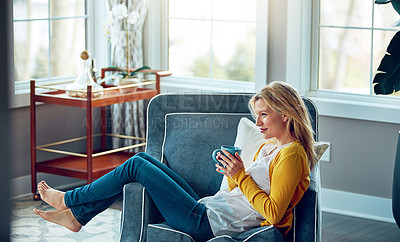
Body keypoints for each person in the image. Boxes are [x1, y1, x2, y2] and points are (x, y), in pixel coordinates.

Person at [33, 81, 317, 241]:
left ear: (286, 115)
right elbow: (238, 192)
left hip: (207, 222)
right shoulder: (270, 146)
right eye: (257, 115)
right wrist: (230, 169)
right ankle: (77, 216)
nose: (258, 122)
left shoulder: (292, 154)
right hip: (209, 208)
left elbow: (274, 214)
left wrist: (240, 175)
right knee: (142, 159)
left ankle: (70, 201)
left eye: (264, 115)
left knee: (137, 165)